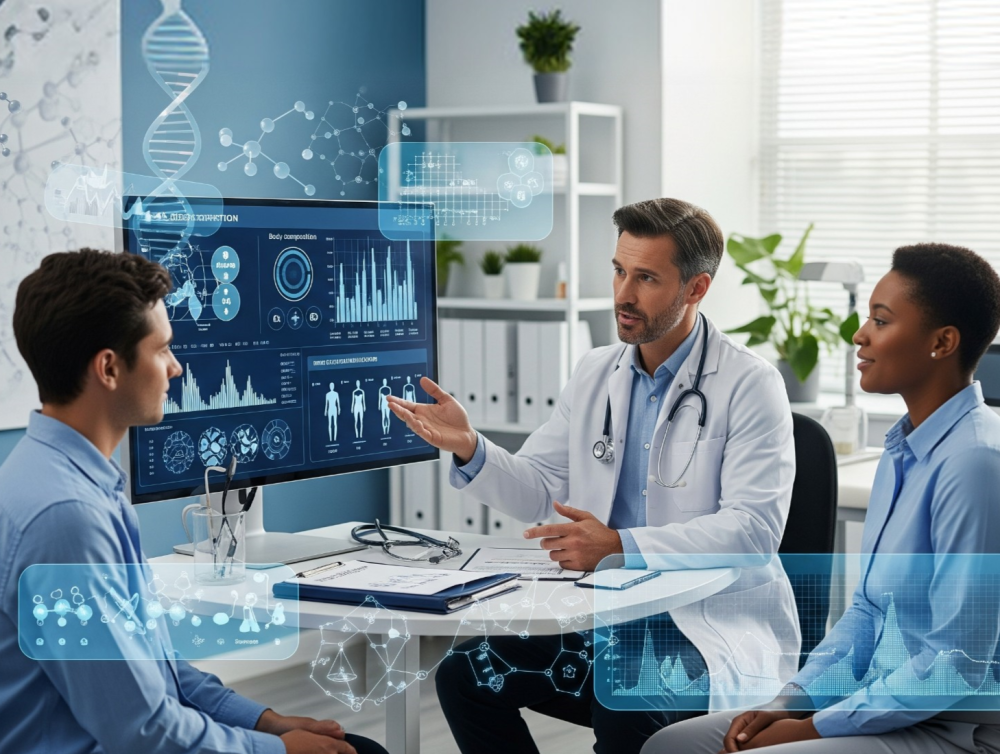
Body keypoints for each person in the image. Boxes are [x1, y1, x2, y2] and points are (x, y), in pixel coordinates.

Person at [388, 198, 801, 754]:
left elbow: (753, 532)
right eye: (619, 270)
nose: (623, 294)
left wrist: (620, 546)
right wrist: (470, 446)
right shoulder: (596, 371)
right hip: (603, 622)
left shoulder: (750, 384)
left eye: (647, 278)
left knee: (622, 700)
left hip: (699, 631)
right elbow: (540, 487)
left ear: (696, 289)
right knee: (465, 672)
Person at [0, 249, 388, 754]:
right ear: (109, 368)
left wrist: (263, 721)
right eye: (162, 349)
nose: (176, 368)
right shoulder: (66, 518)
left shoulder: (68, 479)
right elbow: (142, 730)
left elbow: (153, 671)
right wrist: (276, 750)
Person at [642, 242, 1000, 754]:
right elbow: (867, 612)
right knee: (669, 746)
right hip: (882, 705)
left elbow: (956, 663)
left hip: (954, 728)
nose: (859, 335)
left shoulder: (975, 461)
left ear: (942, 342)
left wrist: (814, 728)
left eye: (881, 320)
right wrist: (790, 702)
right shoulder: (903, 451)